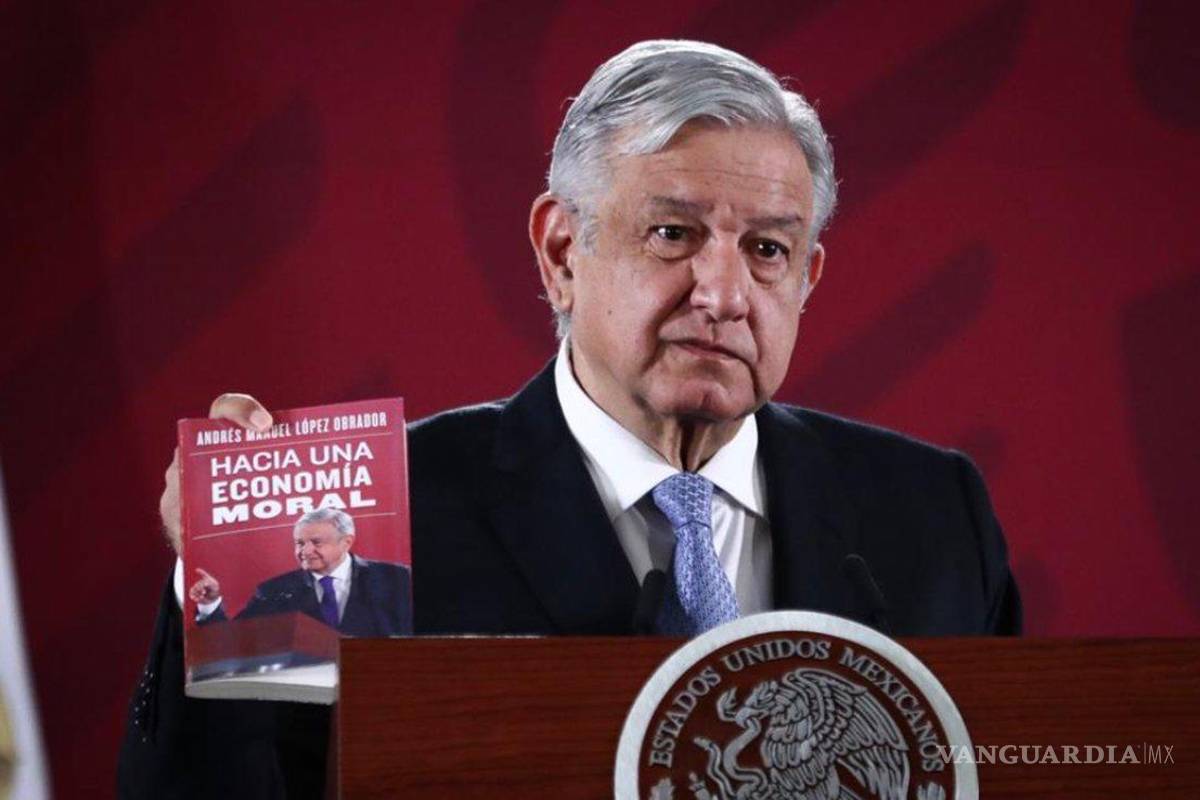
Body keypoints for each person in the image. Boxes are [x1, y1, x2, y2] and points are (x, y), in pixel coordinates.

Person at [119, 39, 1020, 799]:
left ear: (807, 277)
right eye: (672, 235)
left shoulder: (933, 513)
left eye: (766, 249)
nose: (723, 293)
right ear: (560, 252)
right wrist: (218, 574)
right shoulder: (370, 521)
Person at [187, 508, 412, 637]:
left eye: (316, 542)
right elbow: (234, 640)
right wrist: (210, 604)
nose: (305, 551)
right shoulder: (273, 591)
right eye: (299, 543)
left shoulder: (397, 578)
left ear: (346, 542)